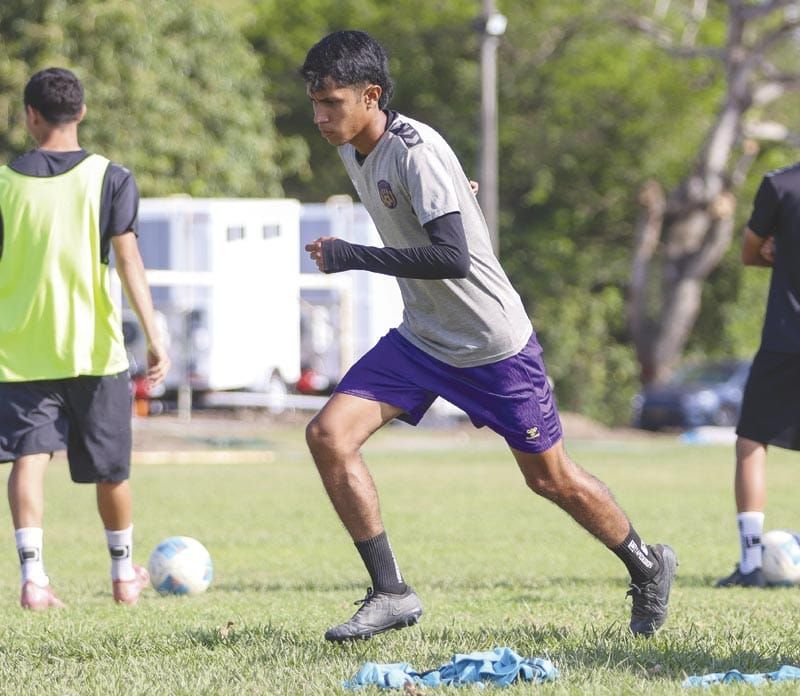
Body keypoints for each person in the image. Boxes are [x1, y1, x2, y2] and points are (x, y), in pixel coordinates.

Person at [300, 30, 677, 641]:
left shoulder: (415, 151)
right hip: (424, 338)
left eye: (331, 104)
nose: (319, 117)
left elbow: (452, 258)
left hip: (491, 343)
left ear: (371, 96)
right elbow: (437, 210)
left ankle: (647, 563)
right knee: (328, 435)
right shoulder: (354, 145)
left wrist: (353, 254)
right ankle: (391, 591)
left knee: (548, 478)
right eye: (314, 104)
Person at [0, 67, 169, 609]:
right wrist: (154, 334)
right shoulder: (111, 178)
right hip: (95, 351)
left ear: (30, 116)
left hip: (20, 351)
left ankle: (34, 579)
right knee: (111, 470)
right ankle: (123, 575)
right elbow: (128, 260)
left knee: (30, 459)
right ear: (82, 112)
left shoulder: (4, 185)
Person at [716, 162, 800, 588]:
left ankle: (751, 565)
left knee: (752, 441)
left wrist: (781, 252)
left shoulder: (780, 185)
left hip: (788, 338)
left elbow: (750, 253)